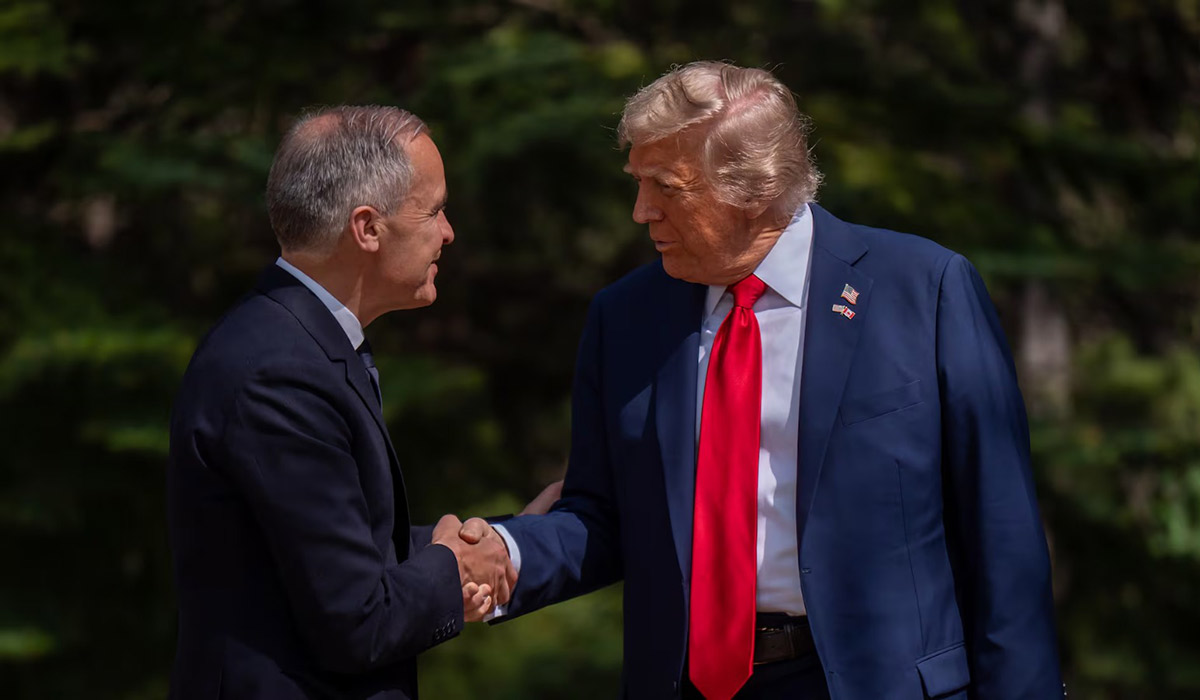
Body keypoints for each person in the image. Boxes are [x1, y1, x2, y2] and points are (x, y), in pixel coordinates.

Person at [478, 62, 1063, 699]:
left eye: (665, 187)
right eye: (637, 183)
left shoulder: (923, 290)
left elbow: (1001, 533)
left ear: (753, 187)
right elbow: (604, 515)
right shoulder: (625, 318)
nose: (642, 212)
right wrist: (505, 554)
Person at [167, 105, 518, 699]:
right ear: (368, 228)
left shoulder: (297, 344)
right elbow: (357, 620)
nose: (448, 232)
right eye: (433, 210)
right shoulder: (278, 373)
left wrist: (496, 539)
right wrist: (454, 566)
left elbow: (331, 548)